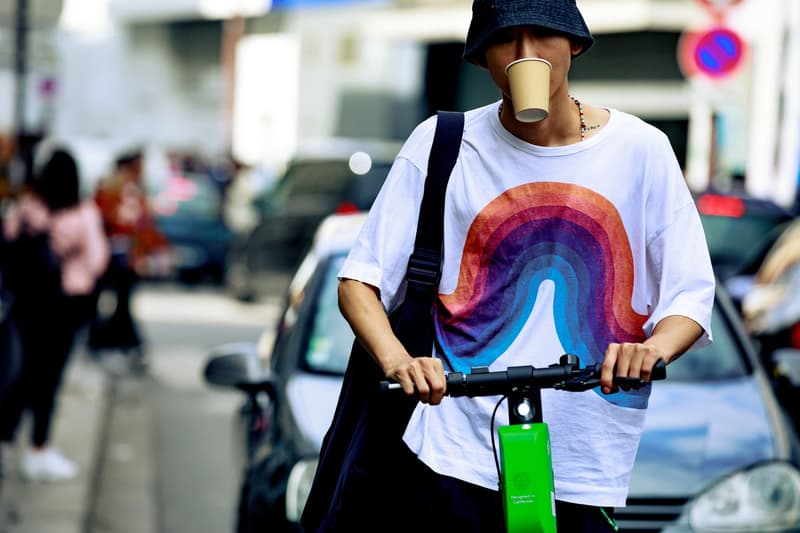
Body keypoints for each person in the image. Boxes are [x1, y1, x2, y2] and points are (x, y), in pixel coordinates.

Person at [331, 0, 715, 531]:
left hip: (585, 460)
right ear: (482, 56)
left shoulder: (642, 150)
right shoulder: (443, 143)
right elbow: (359, 281)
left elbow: (691, 294)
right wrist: (401, 363)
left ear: (574, 44)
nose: (525, 55)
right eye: (506, 40)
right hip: (452, 447)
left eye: (543, 36)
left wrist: (650, 350)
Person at [0, 146, 109, 481]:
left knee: (21, 374)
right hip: (65, 305)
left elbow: (7, 243)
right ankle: (38, 448)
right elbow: (97, 260)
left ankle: (5, 441)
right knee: (49, 377)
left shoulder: (29, 208)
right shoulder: (83, 213)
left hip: (27, 303)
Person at [91, 149, 170, 371]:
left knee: (122, 302)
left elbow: (145, 227)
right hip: (115, 256)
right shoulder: (113, 189)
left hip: (129, 257)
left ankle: (119, 342)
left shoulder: (134, 190)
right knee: (119, 302)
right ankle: (127, 343)